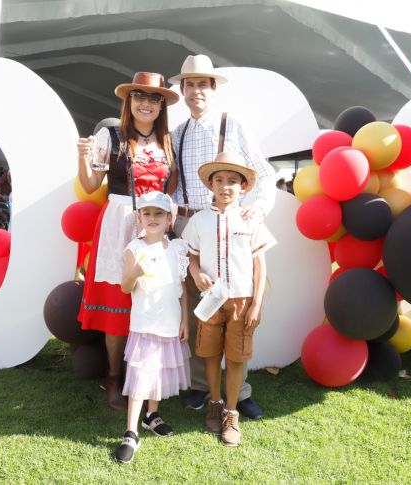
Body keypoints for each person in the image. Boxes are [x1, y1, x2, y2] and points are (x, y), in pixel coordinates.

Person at [168, 54, 277, 419]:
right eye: (190, 84)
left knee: (239, 306)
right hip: (192, 225)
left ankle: (239, 392)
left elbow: (263, 173)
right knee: (202, 311)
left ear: (213, 89)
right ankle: (203, 388)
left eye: (203, 84)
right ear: (182, 90)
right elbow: (175, 185)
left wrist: (256, 209)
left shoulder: (233, 124)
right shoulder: (178, 133)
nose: (196, 90)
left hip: (231, 224)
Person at [76, 72, 180, 410]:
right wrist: (82, 156)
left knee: (151, 302)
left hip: (153, 227)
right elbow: (91, 185)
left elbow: (171, 185)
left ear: (161, 105)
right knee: (118, 308)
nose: (146, 103)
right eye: (139, 96)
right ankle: (114, 377)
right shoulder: (111, 134)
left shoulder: (169, 142)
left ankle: (147, 377)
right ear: (129, 101)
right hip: (120, 223)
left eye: (153, 98)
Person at [182, 152, 277, 446]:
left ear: (244, 187)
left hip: (241, 300)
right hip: (210, 300)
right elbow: (191, 258)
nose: (225, 187)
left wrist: (257, 304)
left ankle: (231, 412)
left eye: (232, 181)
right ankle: (214, 402)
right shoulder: (199, 221)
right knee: (210, 353)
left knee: (236, 357)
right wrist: (196, 274)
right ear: (210, 184)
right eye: (219, 180)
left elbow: (260, 265)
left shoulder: (250, 220)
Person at [114, 191, 191, 464]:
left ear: (169, 219)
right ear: (140, 218)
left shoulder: (178, 248)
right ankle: (131, 431)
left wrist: (184, 320)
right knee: (141, 376)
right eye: (147, 213)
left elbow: (181, 290)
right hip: (145, 323)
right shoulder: (135, 249)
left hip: (169, 322)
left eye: (159, 213)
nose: (153, 218)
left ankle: (152, 415)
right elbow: (125, 286)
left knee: (159, 372)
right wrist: (134, 273)